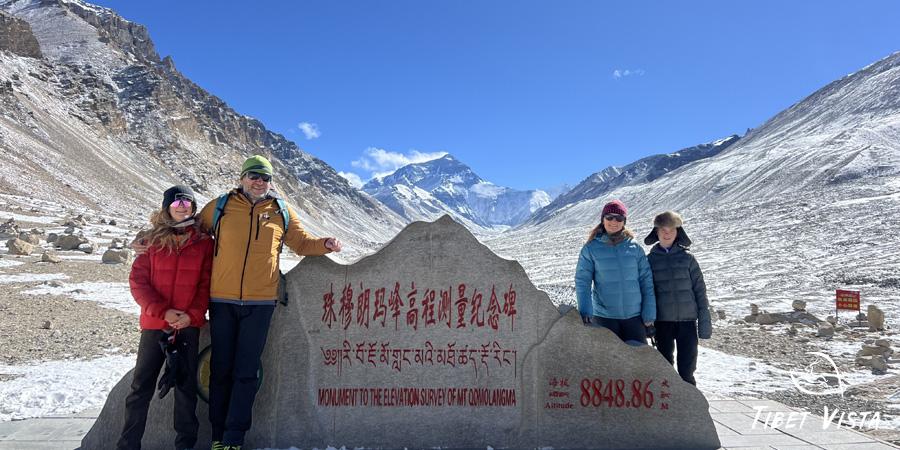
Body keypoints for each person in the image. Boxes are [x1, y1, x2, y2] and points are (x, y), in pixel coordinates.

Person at [199, 155, 342, 450]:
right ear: (241, 177)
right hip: (222, 300)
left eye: (265, 177)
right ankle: (216, 436)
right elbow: (193, 233)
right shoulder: (220, 206)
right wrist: (155, 237)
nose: (259, 181)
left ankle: (233, 438)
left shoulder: (280, 210)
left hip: (261, 302)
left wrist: (324, 244)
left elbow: (301, 243)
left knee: (246, 371)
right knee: (221, 368)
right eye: (253, 175)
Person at [117, 185, 213, 450]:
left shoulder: (204, 243)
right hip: (155, 324)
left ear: (193, 207)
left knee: (185, 390)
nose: (182, 206)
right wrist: (163, 312)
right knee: (141, 388)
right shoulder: (151, 240)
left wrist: (191, 315)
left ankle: (185, 445)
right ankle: (128, 445)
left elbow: (206, 284)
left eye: (187, 202)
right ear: (167, 206)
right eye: (176, 201)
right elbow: (138, 282)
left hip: (187, 326)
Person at [644, 211, 711, 385]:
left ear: (678, 232)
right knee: (665, 369)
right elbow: (646, 293)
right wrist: (647, 321)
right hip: (662, 322)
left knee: (687, 369)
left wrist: (704, 324)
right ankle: (668, 407)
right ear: (656, 232)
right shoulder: (649, 260)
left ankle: (691, 407)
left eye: (671, 230)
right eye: (663, 229)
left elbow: (700, 292)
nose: (667, 233)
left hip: (687, 322)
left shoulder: (688, 259)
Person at [575, 199, 656, 343]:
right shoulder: (590, 249)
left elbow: (646, 281)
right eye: (609, 217)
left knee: (637, 363)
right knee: (608, 363)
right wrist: (585, 312)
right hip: (605, 318)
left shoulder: (635, 248)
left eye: (619, 218)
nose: (614, 221)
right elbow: (583, 281)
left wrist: (649, 313)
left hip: (635, 318)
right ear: (602, 219)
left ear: (624, 221)